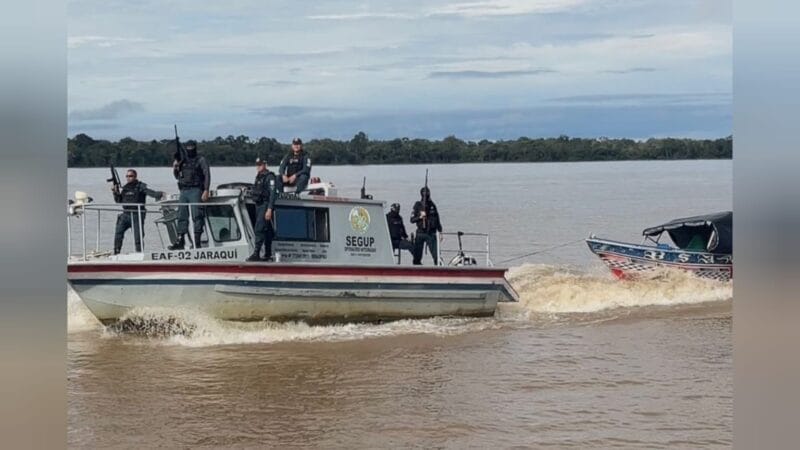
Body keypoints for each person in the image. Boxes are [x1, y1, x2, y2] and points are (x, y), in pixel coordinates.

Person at [169, 139, 211, 250]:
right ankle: (180, 240)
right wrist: (175, 167)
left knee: (197, 215)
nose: (190, 149)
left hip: (196, 189)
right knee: (181, 215)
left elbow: (207, 174)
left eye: (191, 147)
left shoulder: (200, 159)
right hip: (183, 191)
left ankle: (197, 242)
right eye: (188, 147)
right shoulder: (182, 161)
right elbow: (177, 176)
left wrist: (206, 190)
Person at [111, 169, 164, 254]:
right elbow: (119, 201)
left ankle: (139, 253)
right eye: (127, 176)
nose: (128, 178)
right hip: (126, 214)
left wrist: (160, 194)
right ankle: (116, 252)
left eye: (131, 176)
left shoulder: (140, 186)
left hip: (137, 215)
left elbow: (150, 192)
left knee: (138, 236)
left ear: (135, 177)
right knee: (118, 233)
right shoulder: (125, 188)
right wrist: (115, 192)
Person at [246, 157, 277, 262]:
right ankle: (268, 253)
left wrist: (269, 209)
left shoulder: (270, 177)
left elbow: (273, 194)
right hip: (258, 205)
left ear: (265, 165)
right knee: (267, 230)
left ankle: (256, 253)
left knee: (259, 228)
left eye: (260, 164)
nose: (258, 167)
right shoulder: (258, 177)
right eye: (257, 165)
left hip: (265, 204)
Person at [410, 186, 443, 265]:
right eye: (424, 193)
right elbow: (412, 220)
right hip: (420, 233)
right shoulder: (417, 205)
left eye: (427, 193)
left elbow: (437, 219)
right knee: (417, 256)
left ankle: (438, 269)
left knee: (436, 255)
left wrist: (440, 231)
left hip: (431, 233)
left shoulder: (432, 205)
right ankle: (416, 269)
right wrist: (420, 217)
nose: (426, 195)